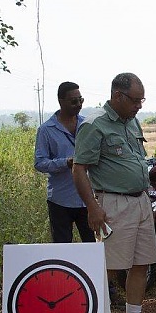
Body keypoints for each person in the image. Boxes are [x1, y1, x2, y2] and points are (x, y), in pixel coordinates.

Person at [72, 72, 156, 313]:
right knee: (108, 269)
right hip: (112, 205)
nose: (139, 105)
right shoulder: (94, 124)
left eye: (141, 99)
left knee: (141, 263)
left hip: (141, 201)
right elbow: (79, 169)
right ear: (117, 96)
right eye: (135, 100)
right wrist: (93, 207)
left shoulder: (132, 121)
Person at [34, 82, 95, 244]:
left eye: (81, 100)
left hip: (87, 199)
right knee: (62, 247)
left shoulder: (87, 125)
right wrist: (65, 163)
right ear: (61, 101)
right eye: (74, 101)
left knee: (92, 246)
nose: (79, 105)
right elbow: (40, 163)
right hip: (60, 200)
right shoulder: (46, 130)